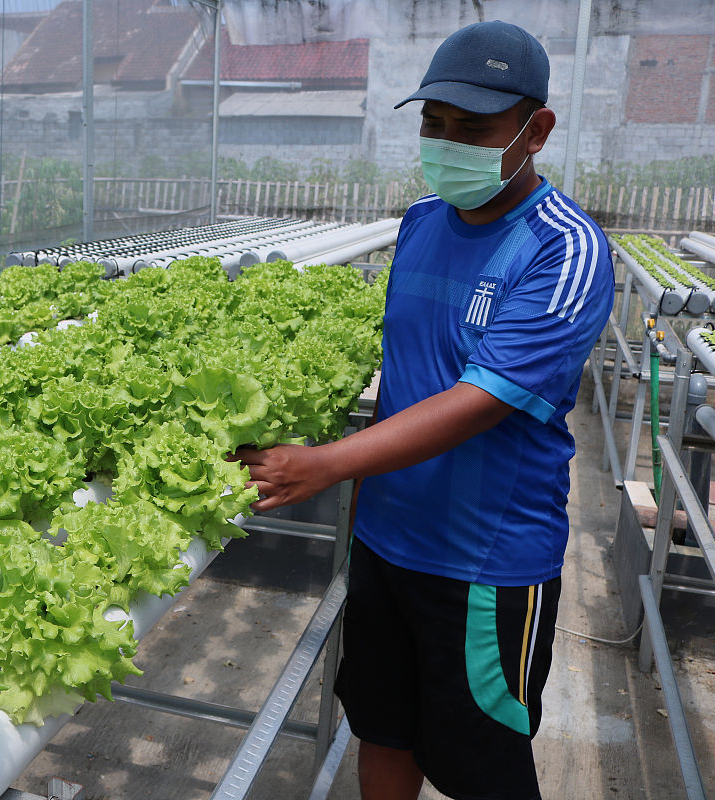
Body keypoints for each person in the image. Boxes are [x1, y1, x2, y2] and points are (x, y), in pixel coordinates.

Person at [233, 20, 614, 800]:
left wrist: (326, 464)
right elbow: (409, 362)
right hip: (384, 541)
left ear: (535, 130)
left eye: (473, 129)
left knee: (485, 767)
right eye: (434, 126)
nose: (448, 144)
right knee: (383, 727)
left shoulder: (565, 249)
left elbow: (479, 402)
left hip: (483, 565)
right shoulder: (420, 222)